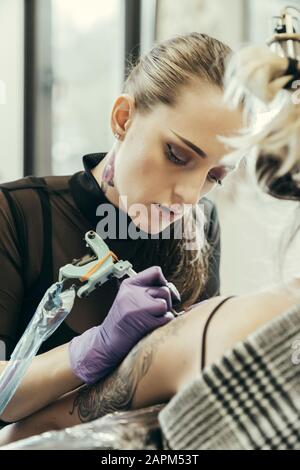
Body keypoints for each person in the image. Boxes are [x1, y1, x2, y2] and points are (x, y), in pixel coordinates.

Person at [1, 32, 300, 448]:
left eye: (215, 176)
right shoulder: (17, 213)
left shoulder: (201, 224)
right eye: (177, 156)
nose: (191, 196)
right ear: (123, 119)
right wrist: (95, 347)